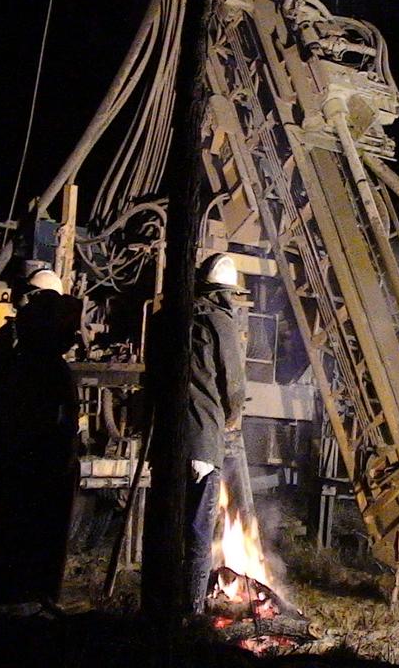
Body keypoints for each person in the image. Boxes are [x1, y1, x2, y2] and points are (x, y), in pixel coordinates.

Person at [0, 269, 82, 606]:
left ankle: (11, 604)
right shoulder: (30, 359)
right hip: (36, 464)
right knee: (33, 539)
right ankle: (28, 606)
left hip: (19, 461)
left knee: (13, 534)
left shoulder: (8, 347)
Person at [181, 254, 247, 612]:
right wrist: (233, 418)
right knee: (198, 532)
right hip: (204, 442)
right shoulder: (220, 323)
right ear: (226, 293)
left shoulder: (173, 319)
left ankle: (163, 605)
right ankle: (190, 612)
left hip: (169, 444)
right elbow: (233, 385)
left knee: (172, 526)